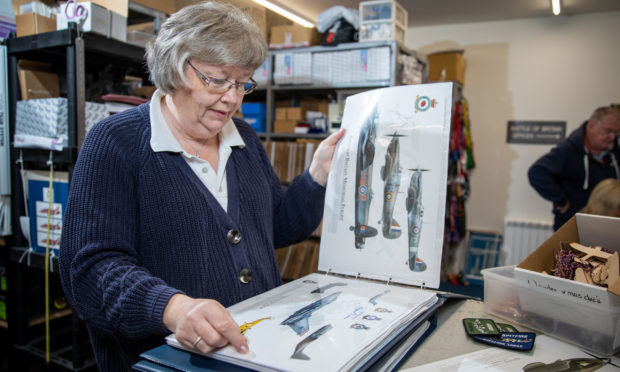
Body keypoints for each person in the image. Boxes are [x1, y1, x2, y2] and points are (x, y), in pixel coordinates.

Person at [58, 2, 345, 370]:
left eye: (242, 83)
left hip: (255, 354)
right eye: (218, 79)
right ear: (175, 67)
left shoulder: (242, 137)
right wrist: (172, 308)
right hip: (168, 361)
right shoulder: (115, 142)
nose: (233, 98)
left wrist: (317, 174)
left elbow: (275, 225)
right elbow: (90, 271)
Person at [528, 106, 620, 230]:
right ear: (591, 126)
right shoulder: (568, 150)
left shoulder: (614, 153)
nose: (612, 137)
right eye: (608, 131)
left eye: (616, 133)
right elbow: (537, 172)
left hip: (605, 226)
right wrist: (560, 199)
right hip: (572, 225)